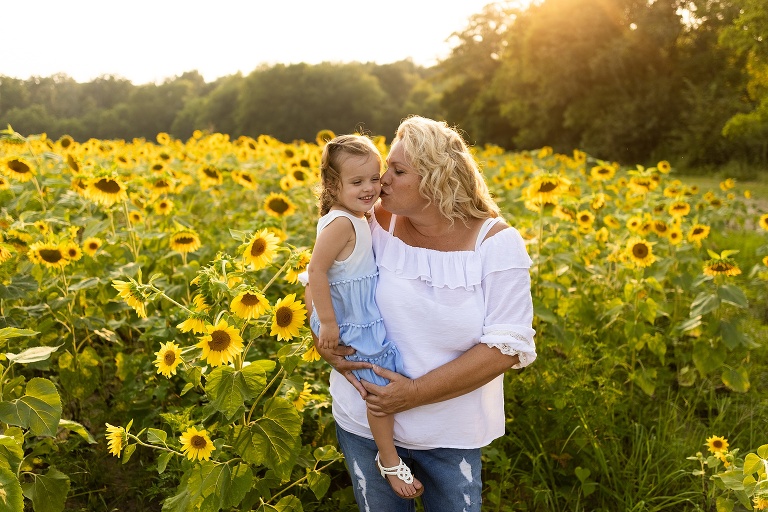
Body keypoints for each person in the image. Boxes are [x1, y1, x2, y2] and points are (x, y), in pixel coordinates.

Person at [306, 115, 537, 512]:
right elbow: (320, 277)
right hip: (364, 421)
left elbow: (506, 347)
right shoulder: (370, 219)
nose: (381, 182)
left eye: (396, 171)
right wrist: (322, 339)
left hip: (447, 435)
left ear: (436, 179)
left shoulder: (497, 244)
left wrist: (411, 394)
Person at [303, 134, 424, 499]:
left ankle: (389, 454)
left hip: (353, 315)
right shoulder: (341, 223)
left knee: (382, 384)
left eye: (375, 177)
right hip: (346, 320)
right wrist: (326, 323)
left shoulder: (354, 214)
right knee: (380, 390)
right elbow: (316, 271)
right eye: (357, 182)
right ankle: (388, 461)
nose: (371, 188)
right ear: (332, 184)